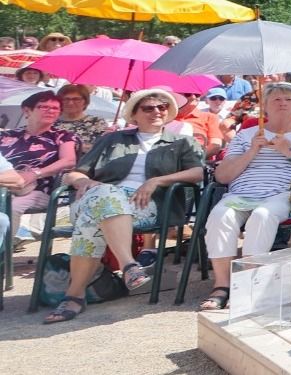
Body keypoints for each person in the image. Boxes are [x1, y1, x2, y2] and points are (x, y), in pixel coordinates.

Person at [42, 89, 206, 324]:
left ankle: (74, 297)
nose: (156, 112)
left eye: (161, 107)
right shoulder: (112, 139)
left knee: (90, 223)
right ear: (135, 115)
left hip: (146, 204)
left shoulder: (181, 142)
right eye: (148, 108)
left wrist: (156, 180)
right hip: (98, 195)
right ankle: (129, 264)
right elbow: (74, 174)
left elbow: (198, 172)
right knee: (106, 194)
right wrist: (85, 181)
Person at [202, 82, 291, 311]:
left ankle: (249, 284)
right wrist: (251, 151)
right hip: (242, 193)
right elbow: (222, 176)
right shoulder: (247, 134)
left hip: (285, 193)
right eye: (276, 99)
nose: (283, 103)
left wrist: (289, 152)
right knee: (220, 215)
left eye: (288, 99)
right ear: (265, 106)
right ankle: (222, 285)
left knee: (262, 215)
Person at [2, 91, 76, 243]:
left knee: (12, 206)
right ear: (26, 110)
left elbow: (68, 161)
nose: (50, 111)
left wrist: (35, 174)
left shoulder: (62, 136)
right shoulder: (7, 135)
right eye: (43, 106)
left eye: (55, 108)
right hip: (5, 184)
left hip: (40, 190)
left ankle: (4, 256)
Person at [54, 84, 111, 157]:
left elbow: (100, 148)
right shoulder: (50, 121)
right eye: (66, 99)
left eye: (76, 99)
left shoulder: (96, 122)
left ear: (85, 102)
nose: (70, 103)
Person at [172, 90, 228, 154]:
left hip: (199, 159)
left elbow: (215, 145)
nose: (193, 97)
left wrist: (196, 159)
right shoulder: (166, 117)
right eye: (188, 93)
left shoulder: (210, 117)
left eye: (197, 94)